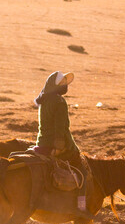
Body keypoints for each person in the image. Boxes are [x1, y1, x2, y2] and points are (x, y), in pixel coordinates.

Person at [32, 71, 88, 214]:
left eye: (65, 82)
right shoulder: (59, 101)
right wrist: (59, 146)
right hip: (56, 144)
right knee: (83, 170)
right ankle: (81, 207)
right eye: (62, 83)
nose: (65, 85)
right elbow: (60, 127)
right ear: (56, 85)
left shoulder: (44, 100)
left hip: (42, 142)